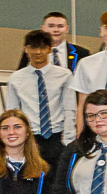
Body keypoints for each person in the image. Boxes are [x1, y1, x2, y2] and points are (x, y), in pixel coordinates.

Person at [11, 30, 75, 162]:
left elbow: (70, 108)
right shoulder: (15, 78)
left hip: (58, 136)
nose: (38, 52)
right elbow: (12, 112)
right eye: (33, 47)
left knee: (57, 179)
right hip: (29, 137)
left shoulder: (65, 75)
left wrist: (69, 139)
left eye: (42, 47)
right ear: (25, 49)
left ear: (50, 49)